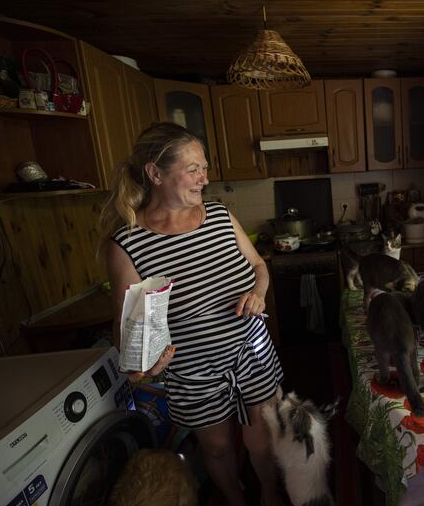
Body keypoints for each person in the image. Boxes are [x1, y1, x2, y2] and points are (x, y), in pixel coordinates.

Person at [99, 122, 285, 506]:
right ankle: (236, 500)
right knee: (216, 448)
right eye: (193, 169)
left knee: (263, 442)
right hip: (192, 369)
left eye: (205, 167)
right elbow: (129, 333)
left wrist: (258, 293)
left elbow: (259, 266)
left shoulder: (219, 215)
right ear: (155, 173)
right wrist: (145, 365)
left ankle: (269, 493)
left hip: (251, 352)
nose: (205, 178)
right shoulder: (128, 244)